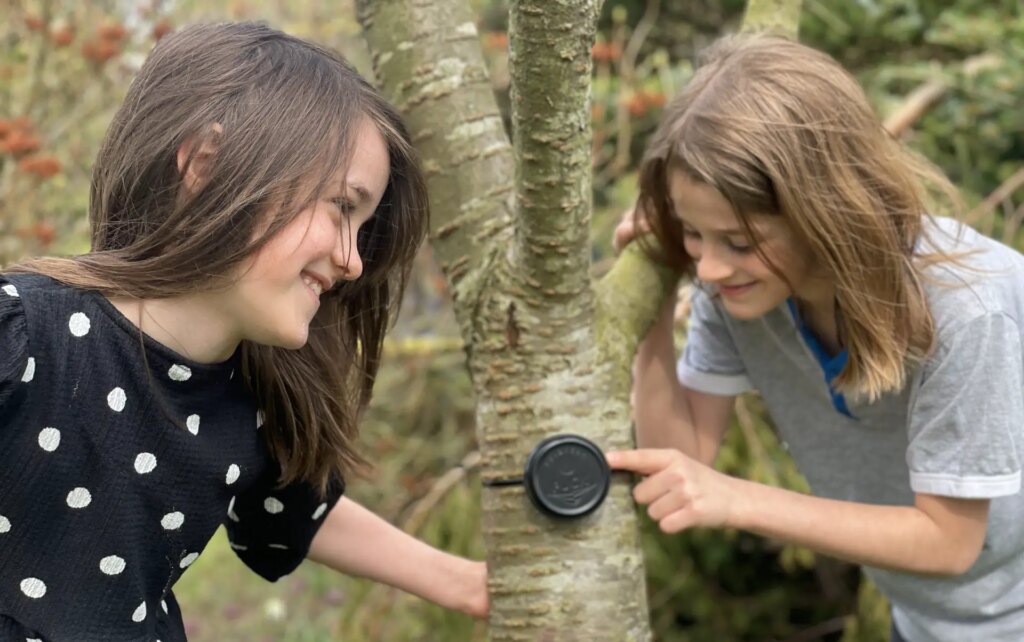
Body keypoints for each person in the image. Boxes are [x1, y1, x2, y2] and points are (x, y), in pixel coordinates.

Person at [0, 22, 487, 641]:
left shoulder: (248, 406)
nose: (354, 260)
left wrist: (466, 584)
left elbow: (300, 510)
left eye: (364, 228)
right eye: (342, 207)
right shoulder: (24, 333)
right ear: (207, 164)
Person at [607, 33, 1024, 642]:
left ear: (824, 210)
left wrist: (738, 500)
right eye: (694, 235)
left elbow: (950, 540)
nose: (712, 268)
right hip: (931, 621)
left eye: (739, 242)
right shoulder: (745, 291)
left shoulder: (965, 311)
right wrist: (653, 304)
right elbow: (682, 458)